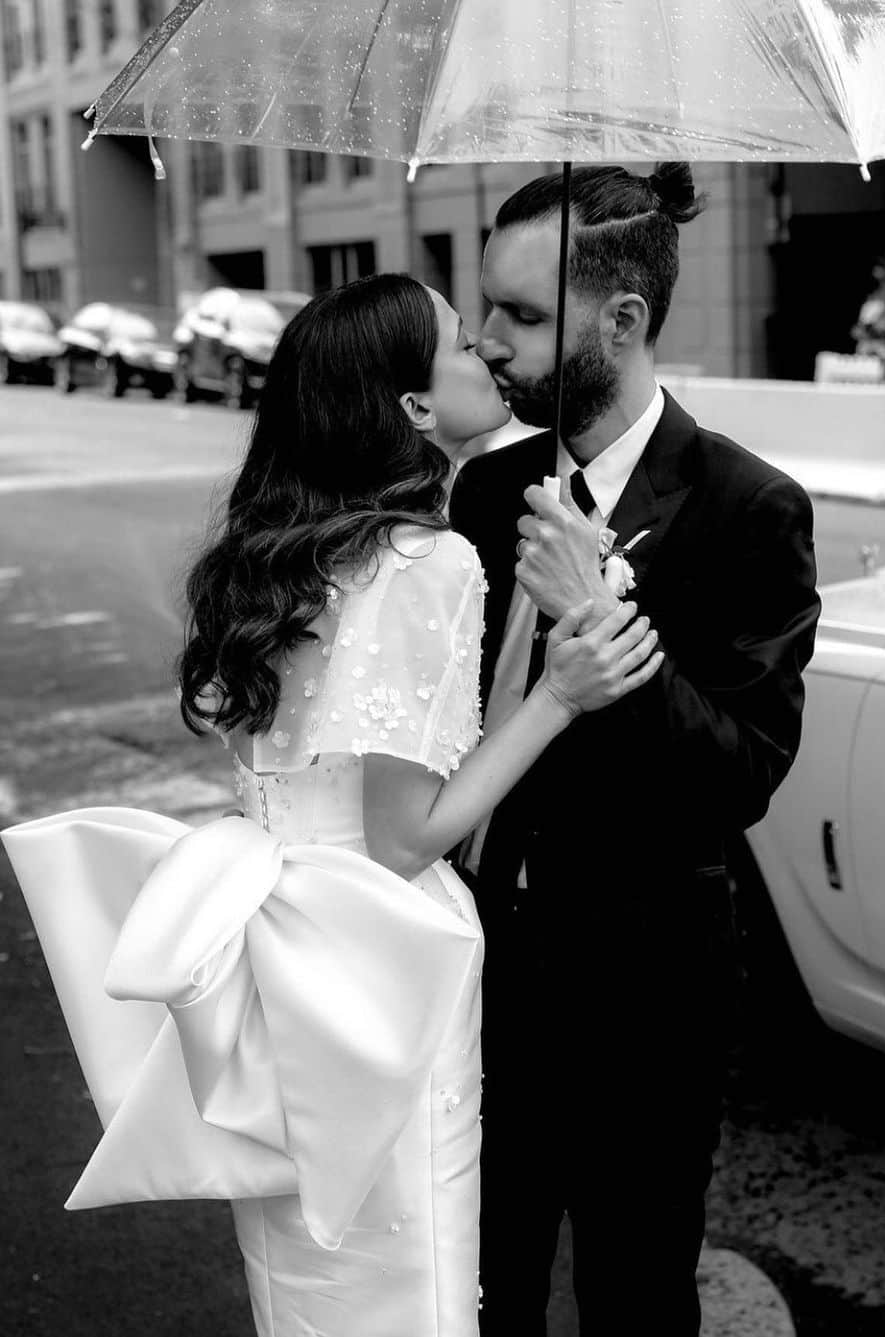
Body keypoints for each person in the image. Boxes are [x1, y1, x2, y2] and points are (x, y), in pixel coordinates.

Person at [1, 274, 664, 1337]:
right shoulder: (426, 559)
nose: (486, 353)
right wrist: (559, 695)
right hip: (377, 956)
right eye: (457, 343)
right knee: (411, 1276)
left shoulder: (289, 556)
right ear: (410, 405)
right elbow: (407, 836)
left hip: (277, 954)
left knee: (309, 1269)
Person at [449, 163, 822, 1336]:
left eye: (519, 315)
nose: (487, 342)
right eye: (486, 310)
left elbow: (742, 770)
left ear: (621, 321)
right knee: (476, 1279)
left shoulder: (749, 507)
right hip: (471, 969)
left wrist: (597, 617)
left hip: (647, 986)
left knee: (633, 1292)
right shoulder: (489, 487)